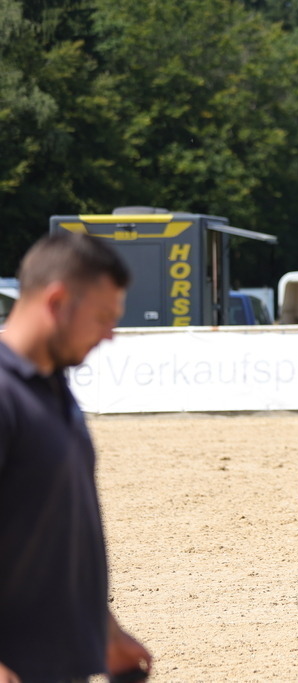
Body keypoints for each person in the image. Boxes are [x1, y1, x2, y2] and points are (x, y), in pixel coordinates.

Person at [0, 233, 152, 682]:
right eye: (104, 316)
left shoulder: (53, 389)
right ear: (58, 300)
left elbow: (54, 531)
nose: (110, 334)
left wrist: (104, 631)